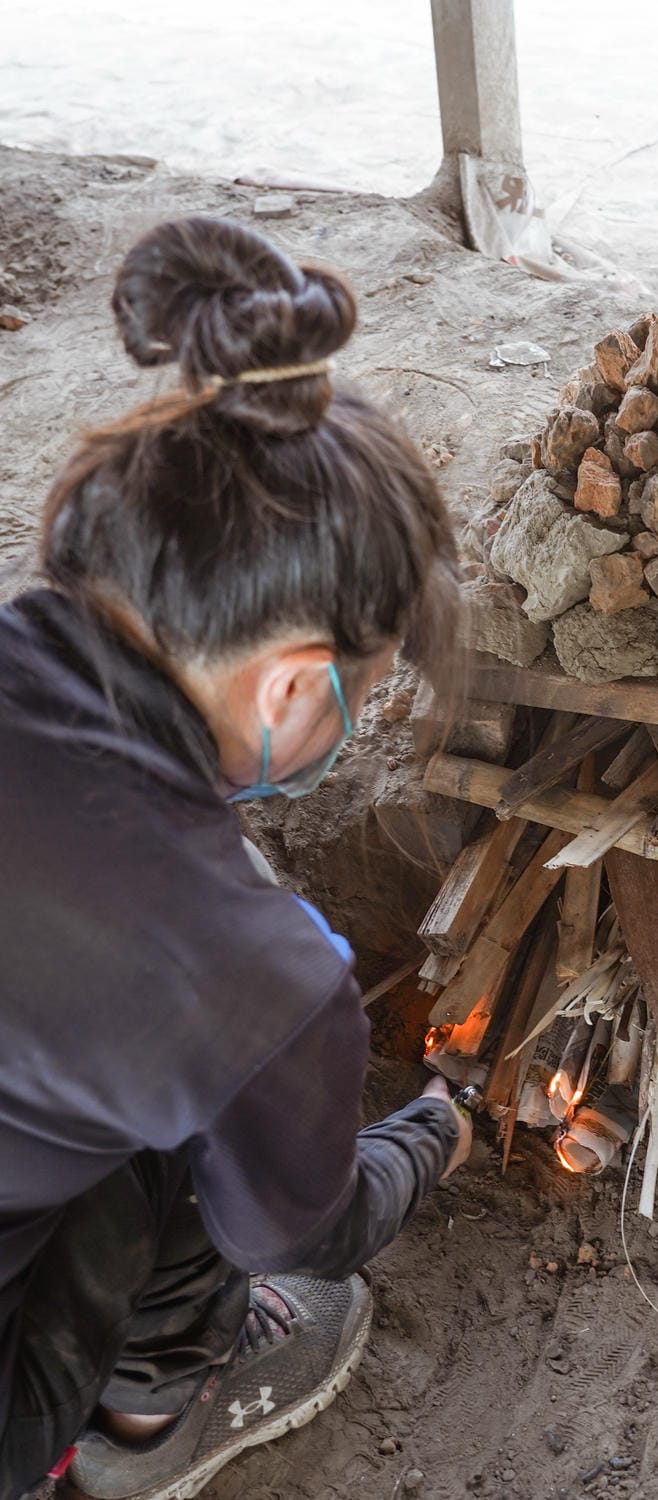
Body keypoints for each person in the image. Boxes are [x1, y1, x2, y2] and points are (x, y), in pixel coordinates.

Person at [0, 217, 472, 1500]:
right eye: (364, 694)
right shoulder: (251, 979)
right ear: (289, 690)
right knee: (200, 1136)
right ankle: (151, 1422)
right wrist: (434, 1135)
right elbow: (301, 1231)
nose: (356, 723)